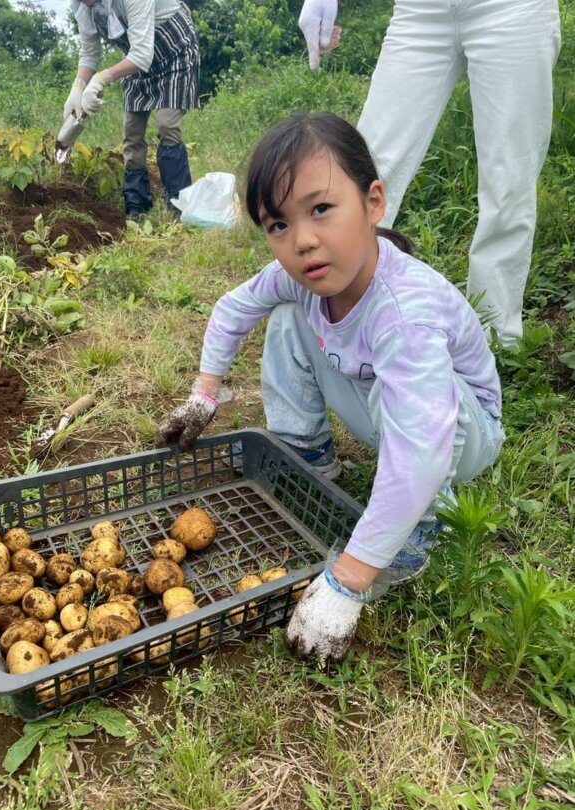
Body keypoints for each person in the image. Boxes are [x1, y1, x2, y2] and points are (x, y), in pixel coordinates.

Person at [155, 112, 505, 662]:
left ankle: (421, 527)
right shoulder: (304, 278)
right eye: (279, 225)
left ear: (373, 203)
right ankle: (309, 458)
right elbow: (232, 311)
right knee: (290, 315)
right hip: (380, 402)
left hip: (458, 434)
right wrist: (204, 395)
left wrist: (348, 581)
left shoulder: (404, 315)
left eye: (321, 209)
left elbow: (420, 450)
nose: (304, 241)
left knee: (413, 415)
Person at [297, 0, 562, 347]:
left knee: (508, 182)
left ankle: (493, 342)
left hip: (511, 9)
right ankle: (343, 319)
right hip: (420, 10)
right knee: (364, 169)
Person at [65, 0, 199, 217]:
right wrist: (78, 87)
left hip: (174, 51)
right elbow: (90, 53)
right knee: (132, 133)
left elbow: (142, 55)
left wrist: (100, 79)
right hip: (135, 57)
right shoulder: (81, 5)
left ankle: (179, 206)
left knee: (167, 125)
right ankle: (136, 207)